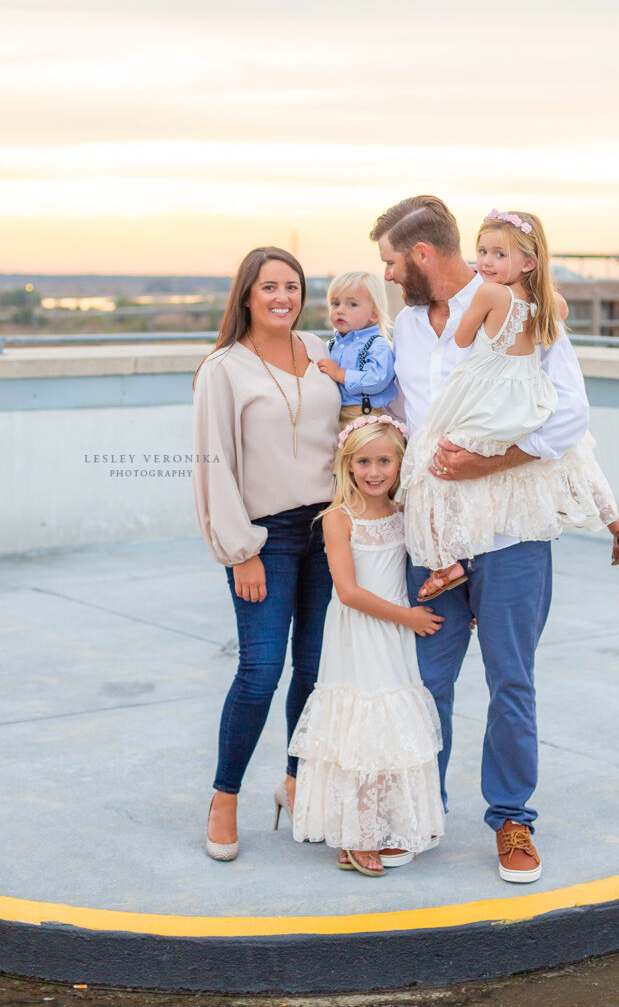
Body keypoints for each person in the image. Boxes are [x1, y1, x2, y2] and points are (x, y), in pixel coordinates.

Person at [370, 194, 590, 884]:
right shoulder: (404, 326)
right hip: (432, 535)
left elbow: (569, 417)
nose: (384, 275)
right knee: (425, 684)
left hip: (509, 530)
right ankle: (418, 817)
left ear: (423, 256)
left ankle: (513, 820)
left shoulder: (525, 307)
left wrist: (487, 461)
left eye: (390, 261)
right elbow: (400, 415)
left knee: (510, 682)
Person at [401, 208, 619, 602]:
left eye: (498, 254)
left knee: (430, 461)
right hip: (527, 396)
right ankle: (618, 525)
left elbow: (461, 340)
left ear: (528, 262)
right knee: (576, 453)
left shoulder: (489, 293)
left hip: (489, 395)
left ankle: (446, 562)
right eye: (482, 251)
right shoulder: (553, 305)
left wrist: (477, 322)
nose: (486, 262)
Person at [192, 246, 341, 861]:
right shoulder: (223, 369)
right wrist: (240, 550)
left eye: (293, 286)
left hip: (330, 530)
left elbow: (354, 432)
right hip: (265, 537)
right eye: (269, 286)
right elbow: (213, 465)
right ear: (247, 295)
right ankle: (224, 797)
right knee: (260, 670)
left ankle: (296, 780)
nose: (283, 297)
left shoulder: (325, 354)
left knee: (313, 669)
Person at [290, 415, 445, 877]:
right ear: (348, 465)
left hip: (394, 636)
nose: (374, 471)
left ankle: (368, 828)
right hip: (361, 632)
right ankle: (357, 835)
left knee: (388, 730)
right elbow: (349, 592)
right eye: (363, 462)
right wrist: (410, 618)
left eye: (384, 461)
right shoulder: (338, 518)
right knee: (361, 726)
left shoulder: (403, 514)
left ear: (400, 463)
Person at [316, 271, 397, 428]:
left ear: (374, 314)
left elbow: (377, 379)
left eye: (352, 304)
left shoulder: (377, 345)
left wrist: (341, 374)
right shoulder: (330, 345)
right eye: (335, 303)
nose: (340, 310)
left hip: (364, 416)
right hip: (333, 414)